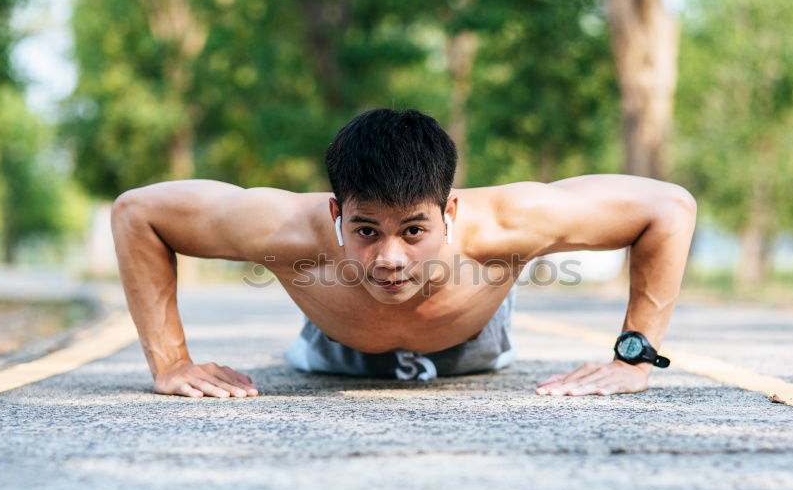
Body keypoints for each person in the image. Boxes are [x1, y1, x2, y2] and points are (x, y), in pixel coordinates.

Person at [111, 108, 696, 399]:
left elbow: (668, 207)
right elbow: (138, 213)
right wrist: (171, 361)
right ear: (336, 214)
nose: (390, 258)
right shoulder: (284, 227)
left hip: (475, 345)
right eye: (366, 231)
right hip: (333, 348)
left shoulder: (511, 223)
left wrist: (632, 358)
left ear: (451, 214)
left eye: (414, 231)